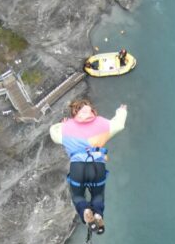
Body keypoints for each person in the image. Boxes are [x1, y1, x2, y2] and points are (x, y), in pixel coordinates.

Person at [50, 99, 128, 234]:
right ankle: (98, 215)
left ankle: (85, 210)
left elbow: (54, 133)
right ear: (91, 110)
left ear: (75, 112)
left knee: (78, 196)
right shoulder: (102, 123)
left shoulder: (65, 127)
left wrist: (63, 125)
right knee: (98, 195)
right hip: (97, 165)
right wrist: (121, 111)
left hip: (78, 167)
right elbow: (119, 125)